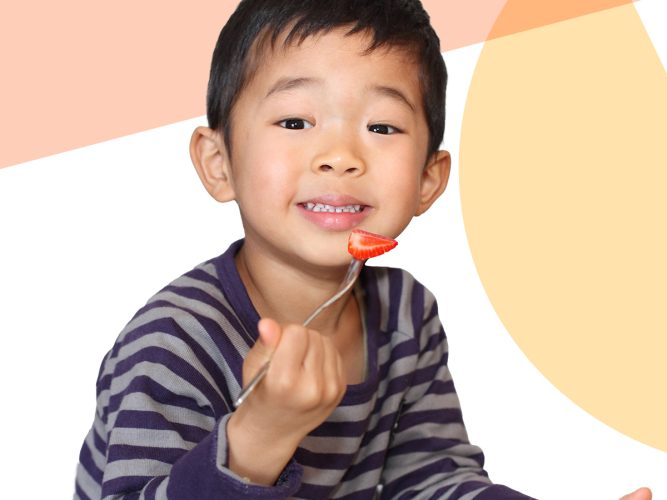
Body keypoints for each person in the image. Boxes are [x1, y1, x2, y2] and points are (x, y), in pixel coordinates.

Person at [74, 1, 652, 498]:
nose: (341, 155)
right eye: (296, 120)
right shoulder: (175, 339)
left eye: (382, 128)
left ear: (429, 179)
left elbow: (430, 480)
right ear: (219, 163)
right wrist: (259, 436)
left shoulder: (406, 314)